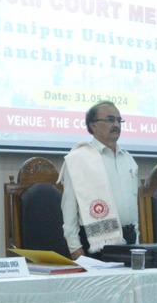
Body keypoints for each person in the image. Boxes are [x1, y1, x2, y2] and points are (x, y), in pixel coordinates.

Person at [58, 101, 139, 258]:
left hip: (129, 240)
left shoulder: (127, 158)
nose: (116, 124)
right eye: (110, 120)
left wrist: (137, 237)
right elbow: (69, 208)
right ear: (93, 125)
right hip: (95, 243)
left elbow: (132, 204)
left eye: (119, 120)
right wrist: (74, 247)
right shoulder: (79, 158)